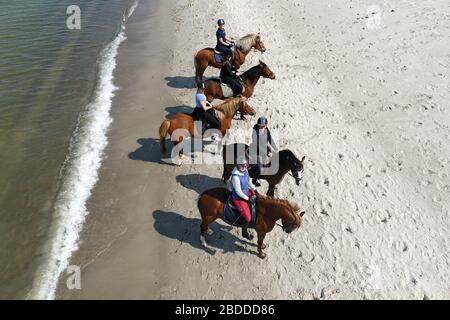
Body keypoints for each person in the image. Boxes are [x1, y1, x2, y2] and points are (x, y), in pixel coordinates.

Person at [249, 116, 277, 186]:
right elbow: (257, 144)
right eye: (260, 126)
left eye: (263, 126)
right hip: (256, 149)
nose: (262, 127)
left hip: (264, 147)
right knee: (260, 166)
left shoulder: (266, 129)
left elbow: (270, 139)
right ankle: (254, 180)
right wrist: (267, 153)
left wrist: (275, 148)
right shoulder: (255, 131)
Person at [231, 157, 257, 227]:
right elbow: (238, 192)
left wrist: (254, 188)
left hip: (246, 191)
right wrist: (248, 199)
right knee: (248, 218)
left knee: (258, 198)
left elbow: (249, 181)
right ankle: (243, 228)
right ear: (238, 165)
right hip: (238, 198)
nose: (244, 167)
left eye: (245, 165)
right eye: (241, 165)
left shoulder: (245, 170)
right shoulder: (235, 177)